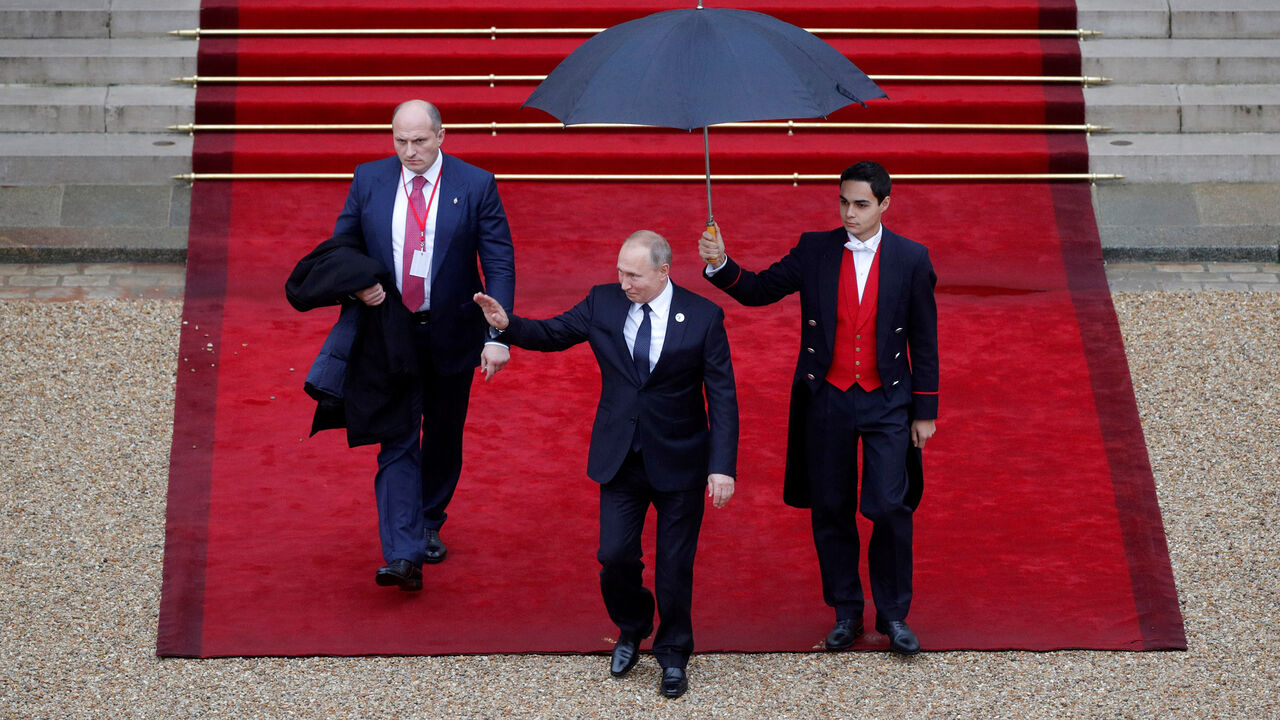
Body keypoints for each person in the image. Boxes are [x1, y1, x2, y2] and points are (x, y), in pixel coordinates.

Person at [472, 230, 737, 698]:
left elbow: (722, 396)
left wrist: (722, 466)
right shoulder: (604, 302)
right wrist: (507, 324)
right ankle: (633, 625)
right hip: (621, 458)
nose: (624, 282)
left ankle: (674, 653)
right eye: (620, 271)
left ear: (663, 272)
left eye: (633, 275)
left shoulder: (702, 316)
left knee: (675, 565)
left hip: (680, 459)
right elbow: (553, 334)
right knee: (614, 557)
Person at [698, 161, 938, 655]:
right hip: (826, 397)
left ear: (885, 205)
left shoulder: (912, 258)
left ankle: (893, 614)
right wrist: (721, 264)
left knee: (889, 506)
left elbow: (925, 339)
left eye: (861, 204)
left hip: (887, 398)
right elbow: (760, 289)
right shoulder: (815, 249)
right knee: (831, 508)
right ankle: (846, 612)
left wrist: (925, 410)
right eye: (844, 202)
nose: (850, 213)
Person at [285, 99, 515, 592]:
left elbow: (498, 262)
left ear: (441, 136)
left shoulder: (476, 185)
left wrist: (498, 336)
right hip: (388, 332)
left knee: (444, 432)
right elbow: (340, 247)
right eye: (400, 141)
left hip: (452, 331)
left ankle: (430, 518)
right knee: (397, 436)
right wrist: (356, 285)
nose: (409, 151)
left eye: (419, 141)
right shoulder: (369, 179)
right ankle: (403, 553)